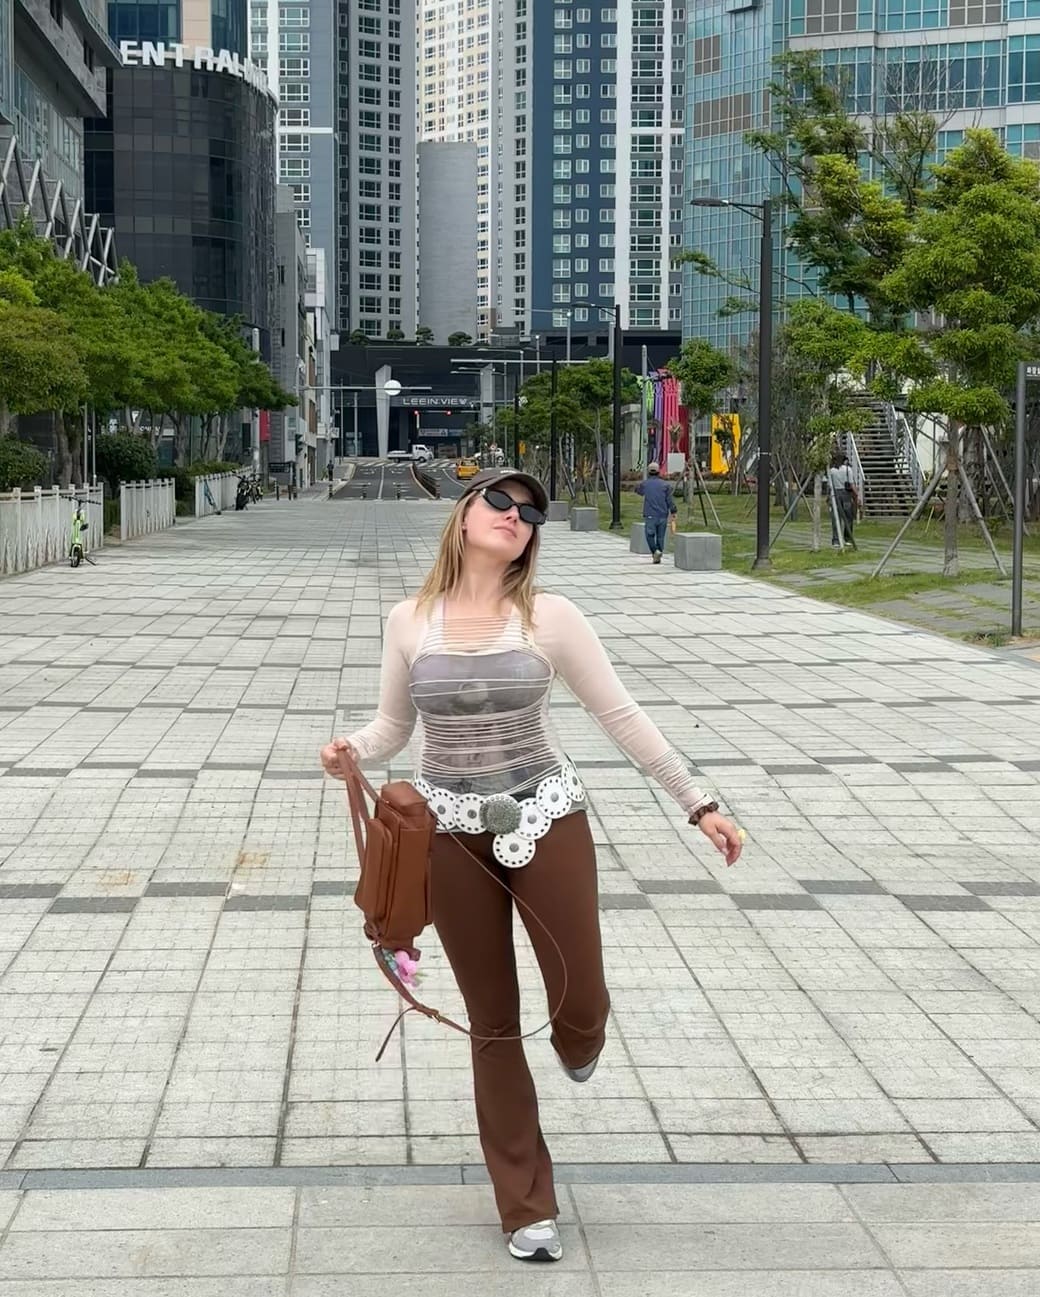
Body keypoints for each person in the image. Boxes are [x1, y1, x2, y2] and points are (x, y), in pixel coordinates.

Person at [320, 467, 743, 1264]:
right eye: (500, 501)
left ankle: (580, 1042)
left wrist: (699, 802)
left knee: (579, 993)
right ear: (464, 513)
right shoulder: (409, 620)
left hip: (546, 814)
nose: (515, 515)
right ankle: (525, 1205)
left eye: (530, 512)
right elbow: (392, 726)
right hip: (450, 833)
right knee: (493, 1020)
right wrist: (352, 751)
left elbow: (621, 714)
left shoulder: (550, 616)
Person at [634, 462, 677, 564]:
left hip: (650, 514)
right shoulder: (665, 485)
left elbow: (638, 491)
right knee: (660, 537)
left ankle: (655, 551)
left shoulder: (645, 484)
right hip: (663, 514)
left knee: (649, 535)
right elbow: (669, 500)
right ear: (658, 472)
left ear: (648, 472)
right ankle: (658, 555)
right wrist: (673, 511)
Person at [828, 451, 860, 549]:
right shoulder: (848, 469)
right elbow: (851, 484)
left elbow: (829, 485)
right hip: (846, 494)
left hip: (835, 494)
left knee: (836, 517)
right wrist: (857, 495)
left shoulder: (831, 471)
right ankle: (848, 538)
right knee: (848, 517)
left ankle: (836, 540)